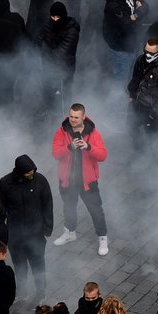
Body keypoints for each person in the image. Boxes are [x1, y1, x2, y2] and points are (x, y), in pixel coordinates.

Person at [51, 104, 109, 256]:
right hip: (67, 180)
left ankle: (102, 237)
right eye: (71, 116)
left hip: (87, 182)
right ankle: (69, 232)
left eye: (76, 117)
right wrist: (69, 147)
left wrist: (88, 147)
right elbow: (56, 154)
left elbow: (103, 155)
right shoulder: (62, 131)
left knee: (96, 211)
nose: (73, 120)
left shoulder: (93, 133)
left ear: (83, 116)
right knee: (69, 207)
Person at [0, 155, 53, 301]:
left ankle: (41, 292)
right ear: (19, 172)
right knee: (19, 264)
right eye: (28, 172)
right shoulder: (5, 183)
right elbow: (0, 208)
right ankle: (22, 292)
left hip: (36, 233)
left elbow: (47, 204)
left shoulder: (40, 181)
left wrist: (48, 229)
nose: (31, 174)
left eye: (32, 171)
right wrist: (2, 232)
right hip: (15, 235)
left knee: (38, 264)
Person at [103, 0, 148, 80]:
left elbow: (146, 6)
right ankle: (117, 96)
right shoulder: (113, 5)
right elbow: (126, 23)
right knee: (121, 77)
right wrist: (137, 14)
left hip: (133, 42)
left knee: (132, 72)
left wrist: (134, 16)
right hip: (122, 47)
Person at [127, 37, 158, 144]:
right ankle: (138, 150)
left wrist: (154, 112)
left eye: (151, 53)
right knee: (131, 128)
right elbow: (135, 78)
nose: (147, 55)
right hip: (136, 103)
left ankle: (152, 157)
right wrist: (131, 95)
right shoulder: (140, 60)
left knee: (151, 136)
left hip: (150, 108)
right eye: (146, 51)